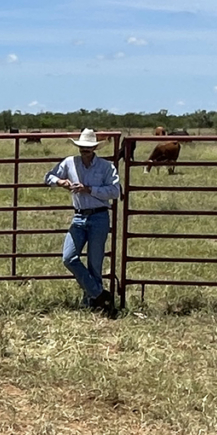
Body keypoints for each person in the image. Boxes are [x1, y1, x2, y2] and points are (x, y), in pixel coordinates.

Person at [43, 129, 123, 312]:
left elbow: (115, 191)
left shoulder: (106, 167)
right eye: (81, 147)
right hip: (79, 216)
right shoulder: (69, 162)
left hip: (99, 215)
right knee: (69, 258)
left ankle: (92, 302)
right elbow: (48, 176)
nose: (84, 150)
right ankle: (100, 295)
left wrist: (89, 189)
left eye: (87, 148)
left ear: (95, 148)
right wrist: (60, 182)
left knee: (95, 262)